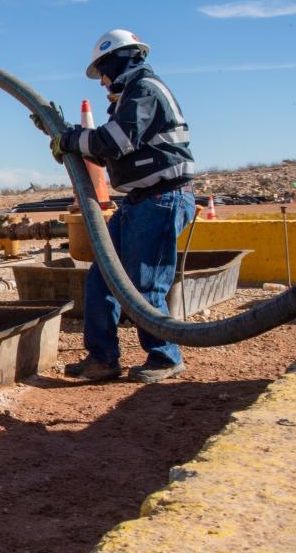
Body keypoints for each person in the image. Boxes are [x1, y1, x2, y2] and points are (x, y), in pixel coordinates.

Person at [51, 29, 197, 383]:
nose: (101, 81)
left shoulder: (145, 90)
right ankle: (102, 359)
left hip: (162, 199)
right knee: (102, 280)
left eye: (102, 70)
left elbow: (113, 142)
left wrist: (73, 139)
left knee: (145, 283)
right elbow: (111, 154)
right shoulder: (129, 97)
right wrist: (75, 145)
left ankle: (164, 357)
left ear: (118, 61)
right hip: (138, 202)